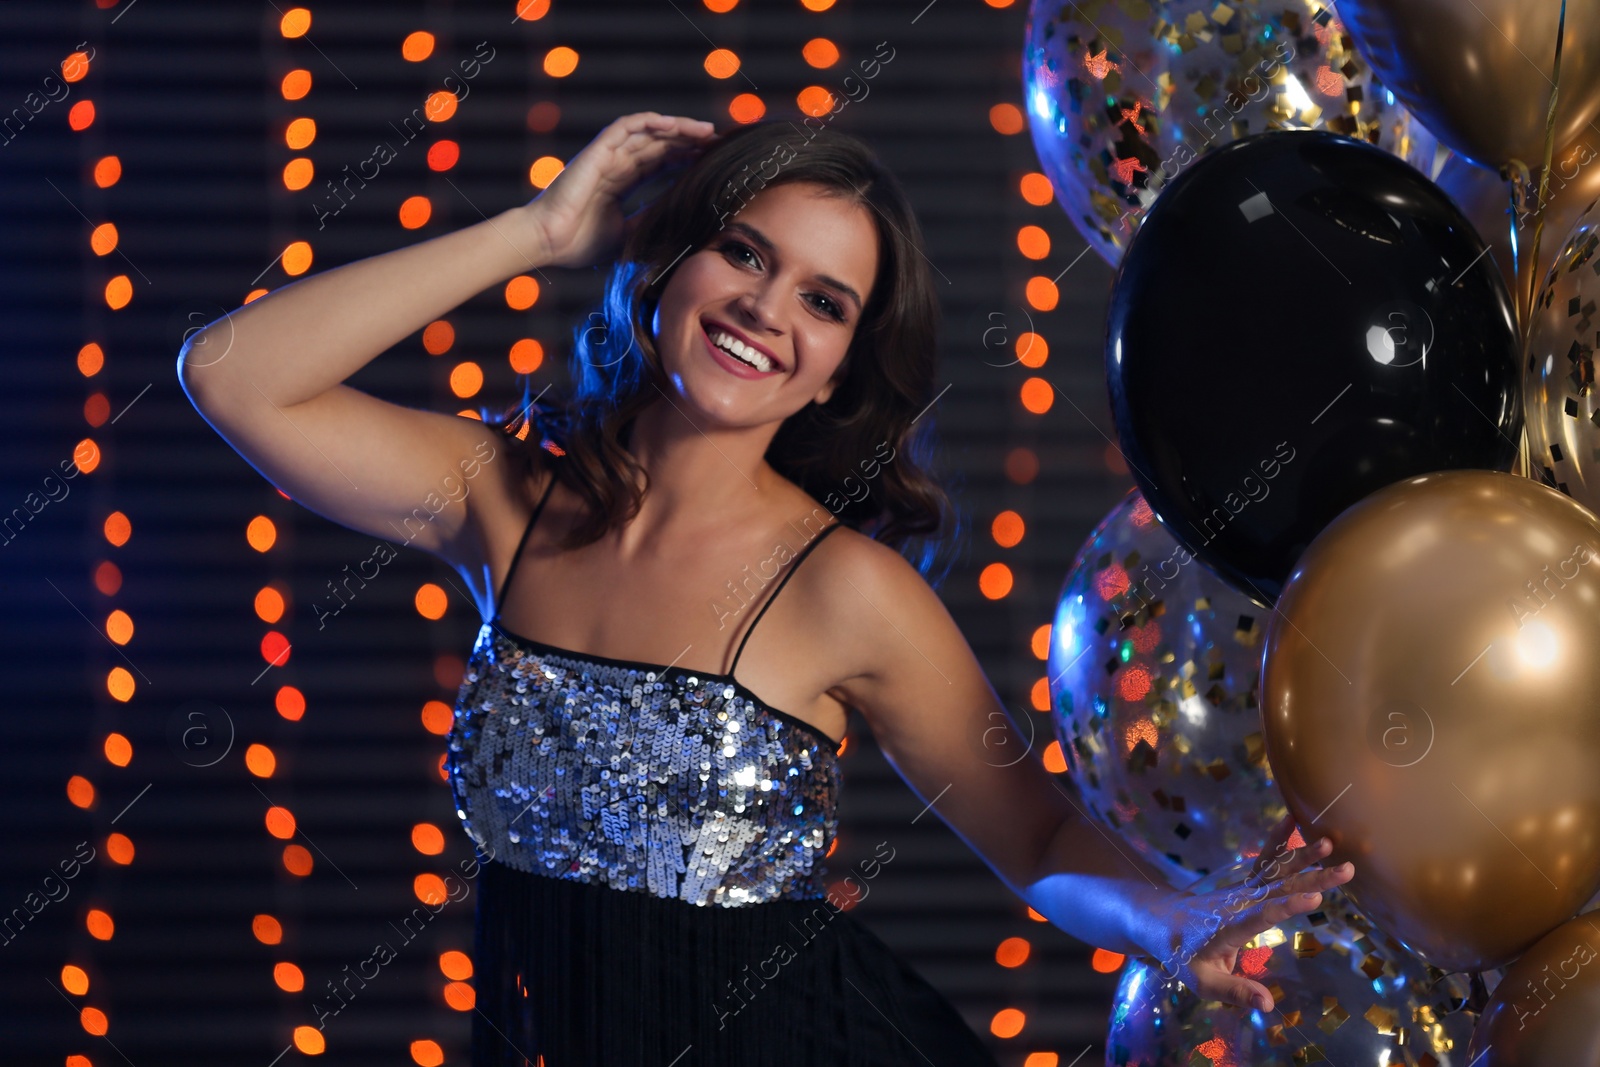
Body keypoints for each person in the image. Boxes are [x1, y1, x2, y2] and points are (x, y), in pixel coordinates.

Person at [177, 111, 1354, 1066]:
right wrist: (540, 227)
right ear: (670, 261)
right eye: (744, 252)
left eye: (823, 301)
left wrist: (1164, 917)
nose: (763, 311)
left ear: (843, 367)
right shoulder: (503, 499)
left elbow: (1036, 829)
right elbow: (236, 377)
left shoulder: (846, 590)